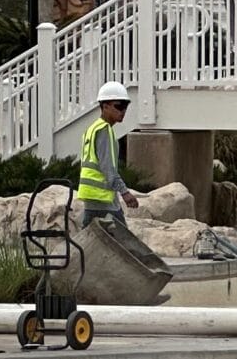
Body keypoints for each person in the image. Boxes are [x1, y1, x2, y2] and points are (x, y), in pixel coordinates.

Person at [73, 83, 172, 304]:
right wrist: (126, 193)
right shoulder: (104, 131)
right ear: (105, 106)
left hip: (92, 197)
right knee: (127, 245)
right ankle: (143, 292)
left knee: (87, 244)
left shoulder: (92, 129)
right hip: (103, 199)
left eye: (125, 106)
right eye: (119, 106)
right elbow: (108, 169)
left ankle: (77, 285)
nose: (123, 111)